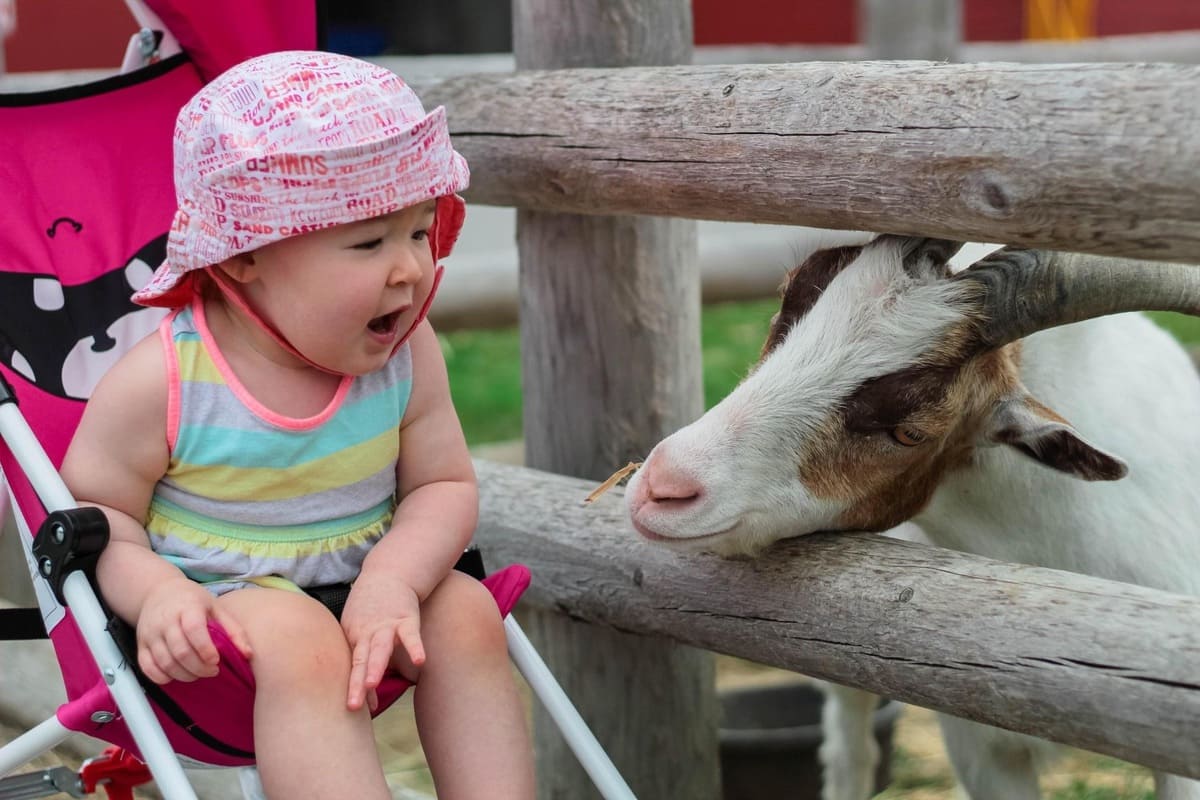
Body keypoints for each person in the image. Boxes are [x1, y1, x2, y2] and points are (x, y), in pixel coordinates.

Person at [60, 50, 535, 800]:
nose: (410, 269)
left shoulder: (406, 357)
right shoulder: (165, 382)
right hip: (221, 621)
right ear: (242, 258)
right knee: (299, 636)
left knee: (466, 609)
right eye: (369, 242)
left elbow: (442, 486)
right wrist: (154, 596)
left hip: (372, 579)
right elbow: (96, 517)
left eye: (419, 233)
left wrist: (393, 579)